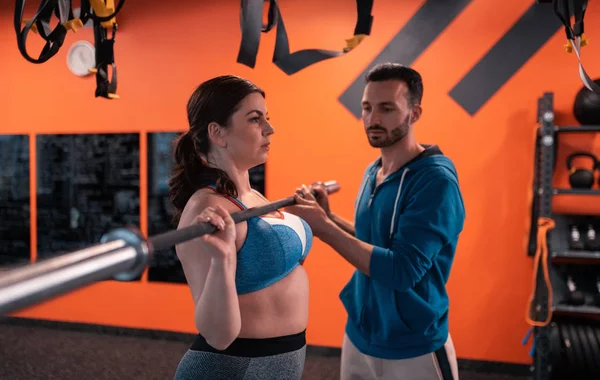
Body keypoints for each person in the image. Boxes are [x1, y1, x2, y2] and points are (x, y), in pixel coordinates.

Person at [287, 62, 466, 380]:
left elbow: (402, 270)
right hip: (360, 335)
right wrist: (329, 218)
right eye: (367, 108)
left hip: (414, 346)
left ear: (414, 113)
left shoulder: (435, 181)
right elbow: (376, 243)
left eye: (387, 108)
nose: (373, 119)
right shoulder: (375, 171)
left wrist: (324, 229)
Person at [168, 75, 313, 380]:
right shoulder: (206, 209)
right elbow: (218, 335)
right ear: (217, 133)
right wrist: (222, 261)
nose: (269, 129)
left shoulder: (253, 197)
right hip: (234, 368)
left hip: (280, 362)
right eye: (254, 119)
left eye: (267, 118)